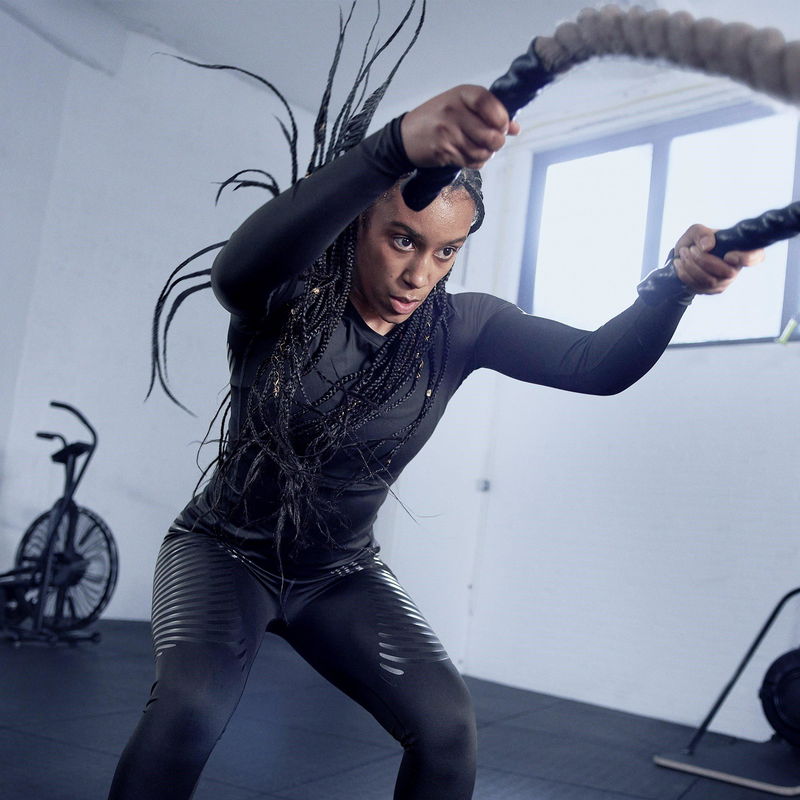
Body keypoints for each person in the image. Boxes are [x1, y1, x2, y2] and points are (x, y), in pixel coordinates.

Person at [108, 79, 763, 799]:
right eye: (402, 240)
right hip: (224, 552)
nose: (419, 274)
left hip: (339, 574)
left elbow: (595, 367)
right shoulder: (288, 298)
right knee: (190, 708)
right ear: (360, 223)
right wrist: (392, 149)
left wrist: (672, 286)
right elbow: (234, 275)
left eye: (447, 251)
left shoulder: (463, 327)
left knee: (449, 728)